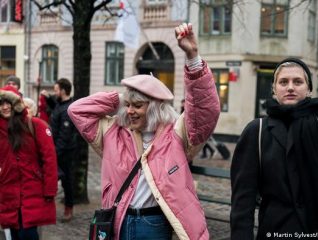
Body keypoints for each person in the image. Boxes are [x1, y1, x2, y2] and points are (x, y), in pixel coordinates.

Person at [68, 22, 220, 240]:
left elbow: (205, 112)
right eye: (128, 105)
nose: (130, 111)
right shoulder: (113, 132)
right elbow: (77, 110)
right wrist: (122, 98)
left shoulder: (176, 134)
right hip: (118, 222)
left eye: (137, 106)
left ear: (155, 107)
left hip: (153, 225)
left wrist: (193, 58)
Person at [230, 15, 318, 239]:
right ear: (274, 90)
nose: (290, 87)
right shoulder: (257, 131)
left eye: (298, 81)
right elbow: (242, 203)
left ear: (309, 89)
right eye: (283, 82)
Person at [0, 86, 58, 240]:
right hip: (8, 192)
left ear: (16, 104)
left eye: (8, 102)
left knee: (28, 233)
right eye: (1, 103)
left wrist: (50, 190)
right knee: (14, 234)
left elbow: (49, 159)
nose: (5, 107)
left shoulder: (36, 125)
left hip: (33, 191)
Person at [41, 78, 79, 222]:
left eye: (56, 90)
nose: (55, 92)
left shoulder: (69, 110)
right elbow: (56, 105)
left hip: (65, 153)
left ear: (63, 91)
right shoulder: (61, 104)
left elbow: (64, 137)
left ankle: (68, 209)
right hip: (56, 150)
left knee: (67, 181)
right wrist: (48, 97)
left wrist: (53, 154)